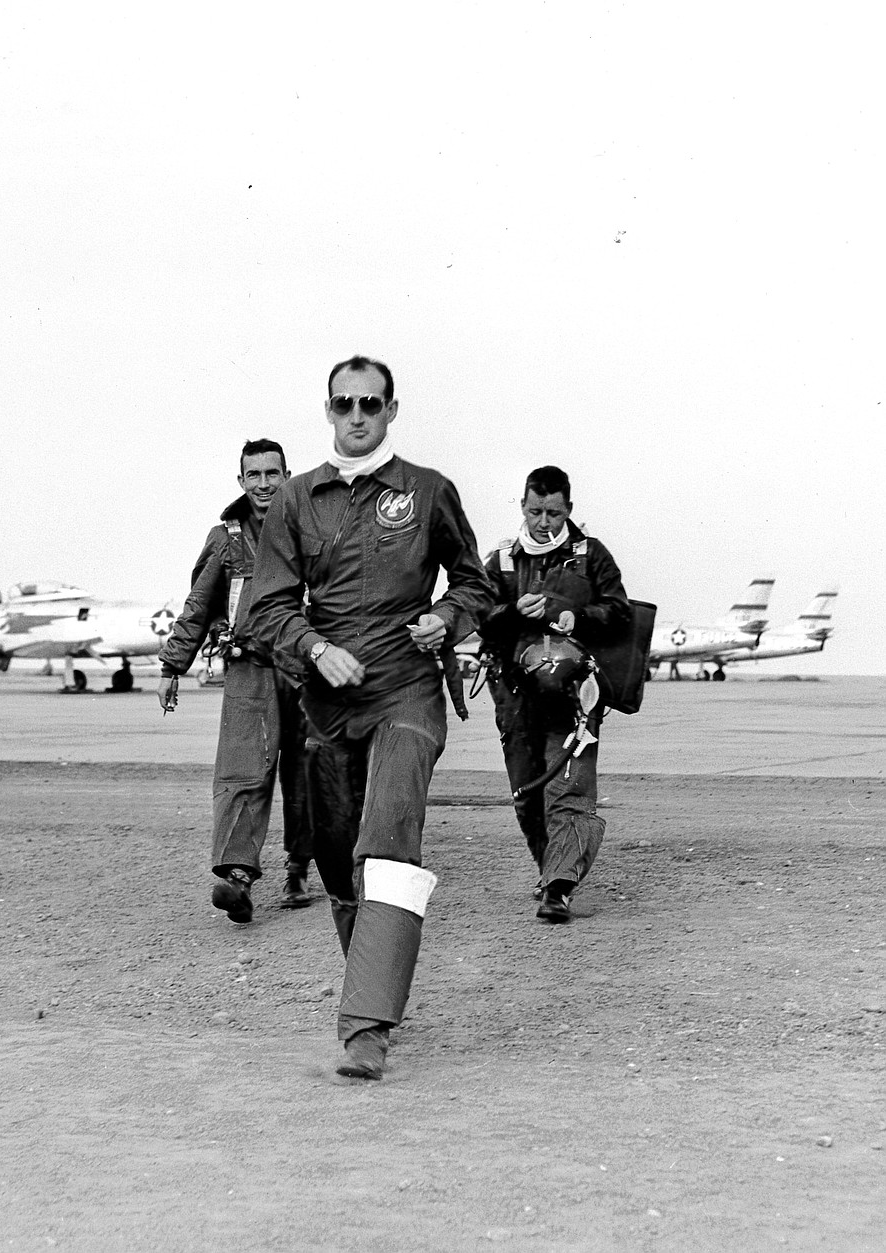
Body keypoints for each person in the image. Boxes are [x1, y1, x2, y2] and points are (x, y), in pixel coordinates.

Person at [245, 356, 494, 1080]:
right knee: (334, 855)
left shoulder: (428, 491)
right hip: (326, 705)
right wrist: (314, 647)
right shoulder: (297, 499)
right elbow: (266, 604)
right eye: (345, 404)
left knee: (386, 838)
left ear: (392, 410)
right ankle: (373, 977)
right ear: (328, 410)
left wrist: (445, 616)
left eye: (372, 404)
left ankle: (366, 1028)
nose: (358, 416)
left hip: (405, 694)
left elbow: (476, 582)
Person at [157, 439, 314, 922]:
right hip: (250, 671)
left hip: (308, 672)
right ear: (241, 480)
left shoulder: (315, 530)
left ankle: (299, 867)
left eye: (273, 473)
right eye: (254, 475)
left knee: (311, 773)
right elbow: (198, 605)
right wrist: (171, 666)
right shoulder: (225, 538)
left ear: (287, 475)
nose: (264, 484)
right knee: (242, 771)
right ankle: (237, 878)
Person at [479, 465, 630, 923]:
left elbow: (620, 611)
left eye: (553, 512)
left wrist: (577, 618)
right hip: (514, 693)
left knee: (569, 786)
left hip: (574, 696)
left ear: (569, 508)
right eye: (534, 511)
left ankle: (559, 887)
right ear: (521, 505)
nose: (543, 521)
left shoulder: (592, 555)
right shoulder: (500, 560)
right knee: (527, 791)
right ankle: (551, 870)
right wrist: (511, 611)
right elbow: (476, 611)